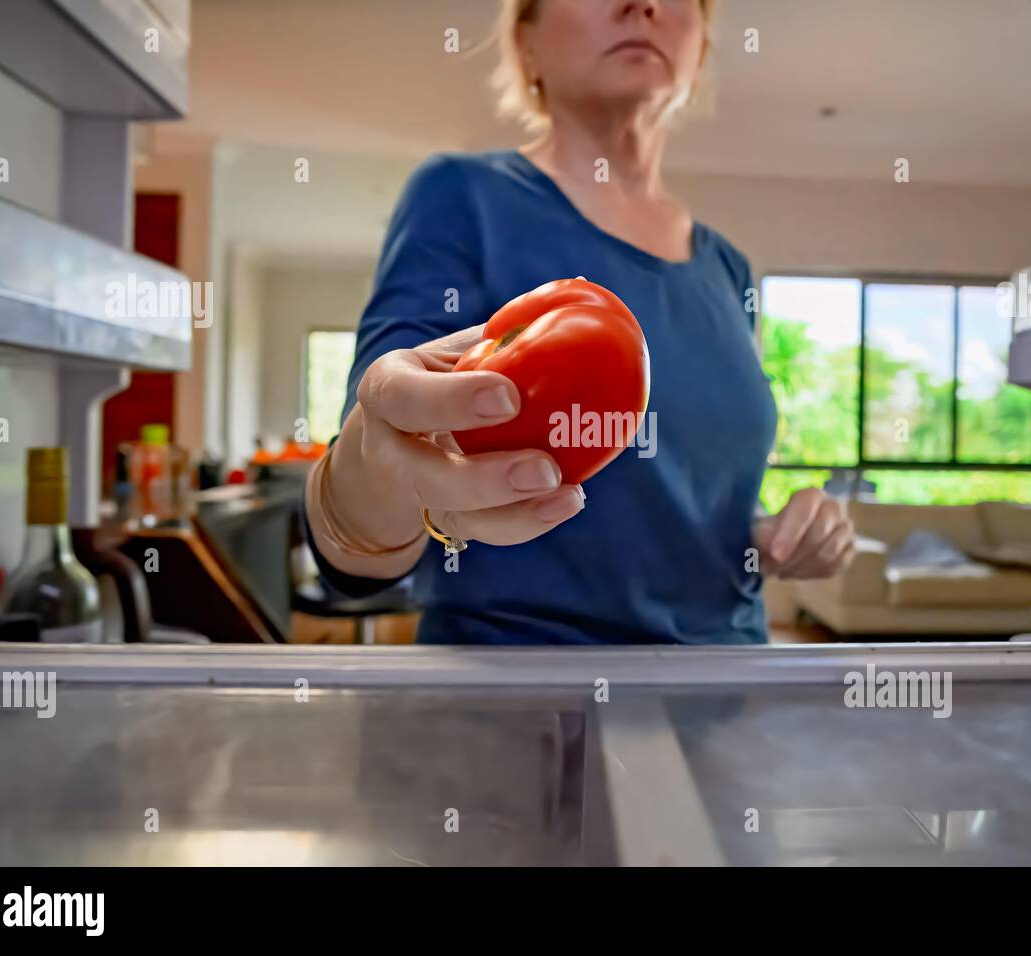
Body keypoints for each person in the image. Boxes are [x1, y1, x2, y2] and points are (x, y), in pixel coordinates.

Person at [303, 0, 854, 645]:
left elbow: (694, 499)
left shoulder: (727, 267)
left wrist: (774, 536)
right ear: (526, 43)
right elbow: (378, 462)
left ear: (700, 48)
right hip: (519, 696)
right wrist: (365, 497)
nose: (641, 4)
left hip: (722, 689)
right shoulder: (460, 195)